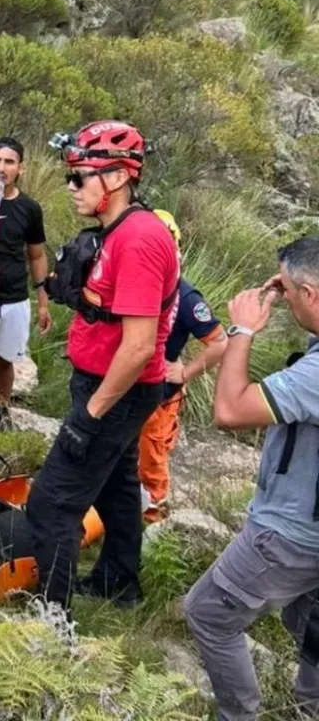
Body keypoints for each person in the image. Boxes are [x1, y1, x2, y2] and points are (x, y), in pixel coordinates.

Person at [26, 121, 179, 611]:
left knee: (52, 502)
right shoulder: (120, 231)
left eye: (80, 177)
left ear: (116, 178)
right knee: (117, 488)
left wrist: (90, 416)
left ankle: (54, 621)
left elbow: (137, 348)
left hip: (115, 391)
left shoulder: (138, 240)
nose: (71, 187)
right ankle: (119, 583)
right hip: (114, 385)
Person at [184, 237, 319, 721]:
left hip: (292, 534)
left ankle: (238, 715)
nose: (284, 299)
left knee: (208, 612)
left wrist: (242, 329)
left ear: (311, 294)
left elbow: (229, 410)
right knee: (309, 621)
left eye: (289, 291)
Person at [138, 209, 227, 521]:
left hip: (159, 394)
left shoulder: (187, 298)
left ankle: (153, 518)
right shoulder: (132, 282)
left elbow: (219, 341)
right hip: (125, 384)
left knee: (151, 457)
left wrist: (185, 372)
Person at [0, 137, 52, 430]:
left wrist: (42, 302)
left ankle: (3, 410)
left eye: (9, 162)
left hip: (14, 297)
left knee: (4, 360)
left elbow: (37, 255)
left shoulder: (29, 208)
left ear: (21, 168)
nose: (1, 168)